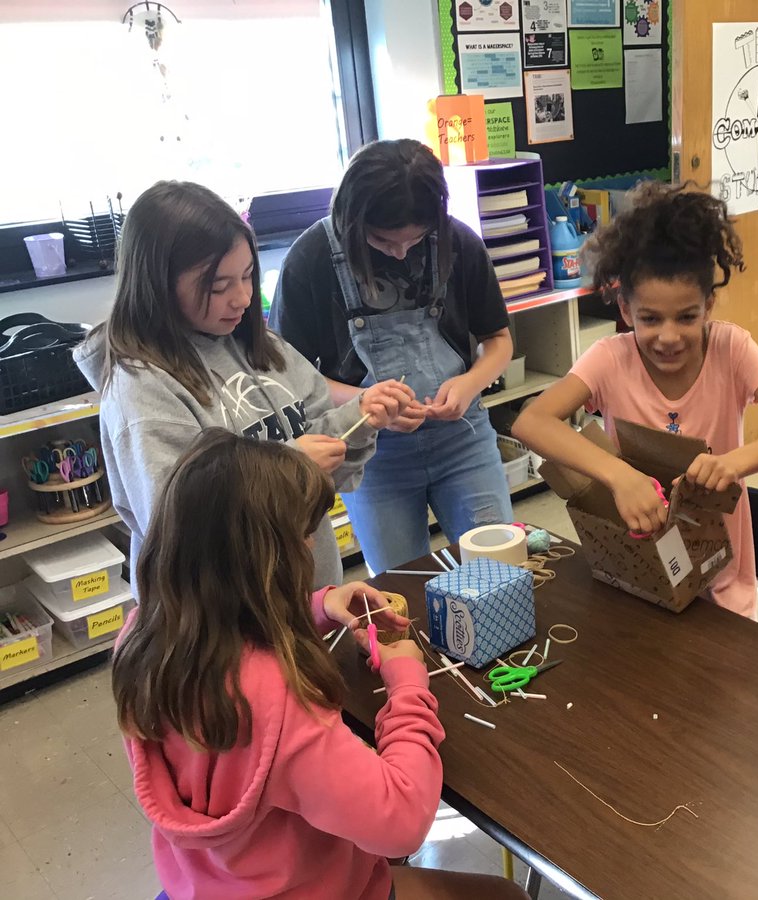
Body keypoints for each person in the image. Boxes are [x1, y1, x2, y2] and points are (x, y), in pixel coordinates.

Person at [112, 429, 530, 900]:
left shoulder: (144, 638)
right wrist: (407, 681)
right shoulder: (280, 707)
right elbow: (401, 823)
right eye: (303, 536)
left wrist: (321, 605)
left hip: (208, 884)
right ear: (269, 559)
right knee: (505, 895)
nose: (310, 547)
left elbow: (229, 628)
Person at [75, 181, 413, 590]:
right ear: (158, 284)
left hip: (307, 600)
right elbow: (179, 526)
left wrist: (358, 418)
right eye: (219, 286)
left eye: (248, 276)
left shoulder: (259, 344)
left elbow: (318, 461)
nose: (242, 298)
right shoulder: (141, 388)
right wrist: (288, 467)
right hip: (223, 625)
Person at [513, 181, 758, 619]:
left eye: (687, 317)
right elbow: (532, 422)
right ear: (625, 310)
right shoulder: (610, 358)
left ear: (709, 305)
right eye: (650, 319)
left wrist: (732, 465)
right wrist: (620, 477)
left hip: (722, 576)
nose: (669, 336)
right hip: (643, 565)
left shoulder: (732, 349)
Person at [270, 139, 514, 574]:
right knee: (403, 586)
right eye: (383, 241)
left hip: (462, 437)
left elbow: (499, 340)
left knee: (497, 569)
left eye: (416, 239)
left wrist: (470, 381)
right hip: (370, 454)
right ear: (351, 217)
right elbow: (288, 381)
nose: (402, 252)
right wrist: (363, 402)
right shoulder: (310, 260)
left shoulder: (458, 241)